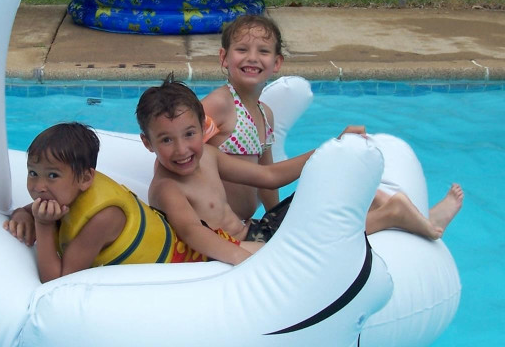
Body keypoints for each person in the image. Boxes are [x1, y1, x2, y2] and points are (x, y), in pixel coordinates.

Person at [202, 13, 464, 239]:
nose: (253, 58)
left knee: (338, 186)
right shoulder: (218, 105)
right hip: (224, 229)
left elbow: (268, 176)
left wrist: (276, 214)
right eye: (242, 50)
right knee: (319, 232)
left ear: (277, 63)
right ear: (224, 57)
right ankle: (392, 214)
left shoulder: (264, 114)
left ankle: (415, 215)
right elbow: (182, 152)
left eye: (263, 51)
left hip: (248, 223)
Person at [136, 75, 366, 264]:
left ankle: (383, 210)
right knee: (321, 227)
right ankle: (387, 216)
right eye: (166, 140)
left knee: (326, 200)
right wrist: (246, 259)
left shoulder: (208, 156)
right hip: (239, 248)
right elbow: (191, 231)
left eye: (189, 134)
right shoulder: (167, 187)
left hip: (255, 229)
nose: (182, 149)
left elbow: (269, 176)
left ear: (203, 127)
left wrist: (332, 147)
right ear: (147, 143)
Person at [3, 122, 258, 282]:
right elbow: (35, 208)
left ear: (85, 178)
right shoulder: (68, 190)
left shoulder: (103, 218)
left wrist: (44, 227)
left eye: (52, 176)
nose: (38, 186)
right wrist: (23, 214)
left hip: (189, 261)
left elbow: (57, 283)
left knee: (262, 256)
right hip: (180, 242)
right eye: (33, 173)